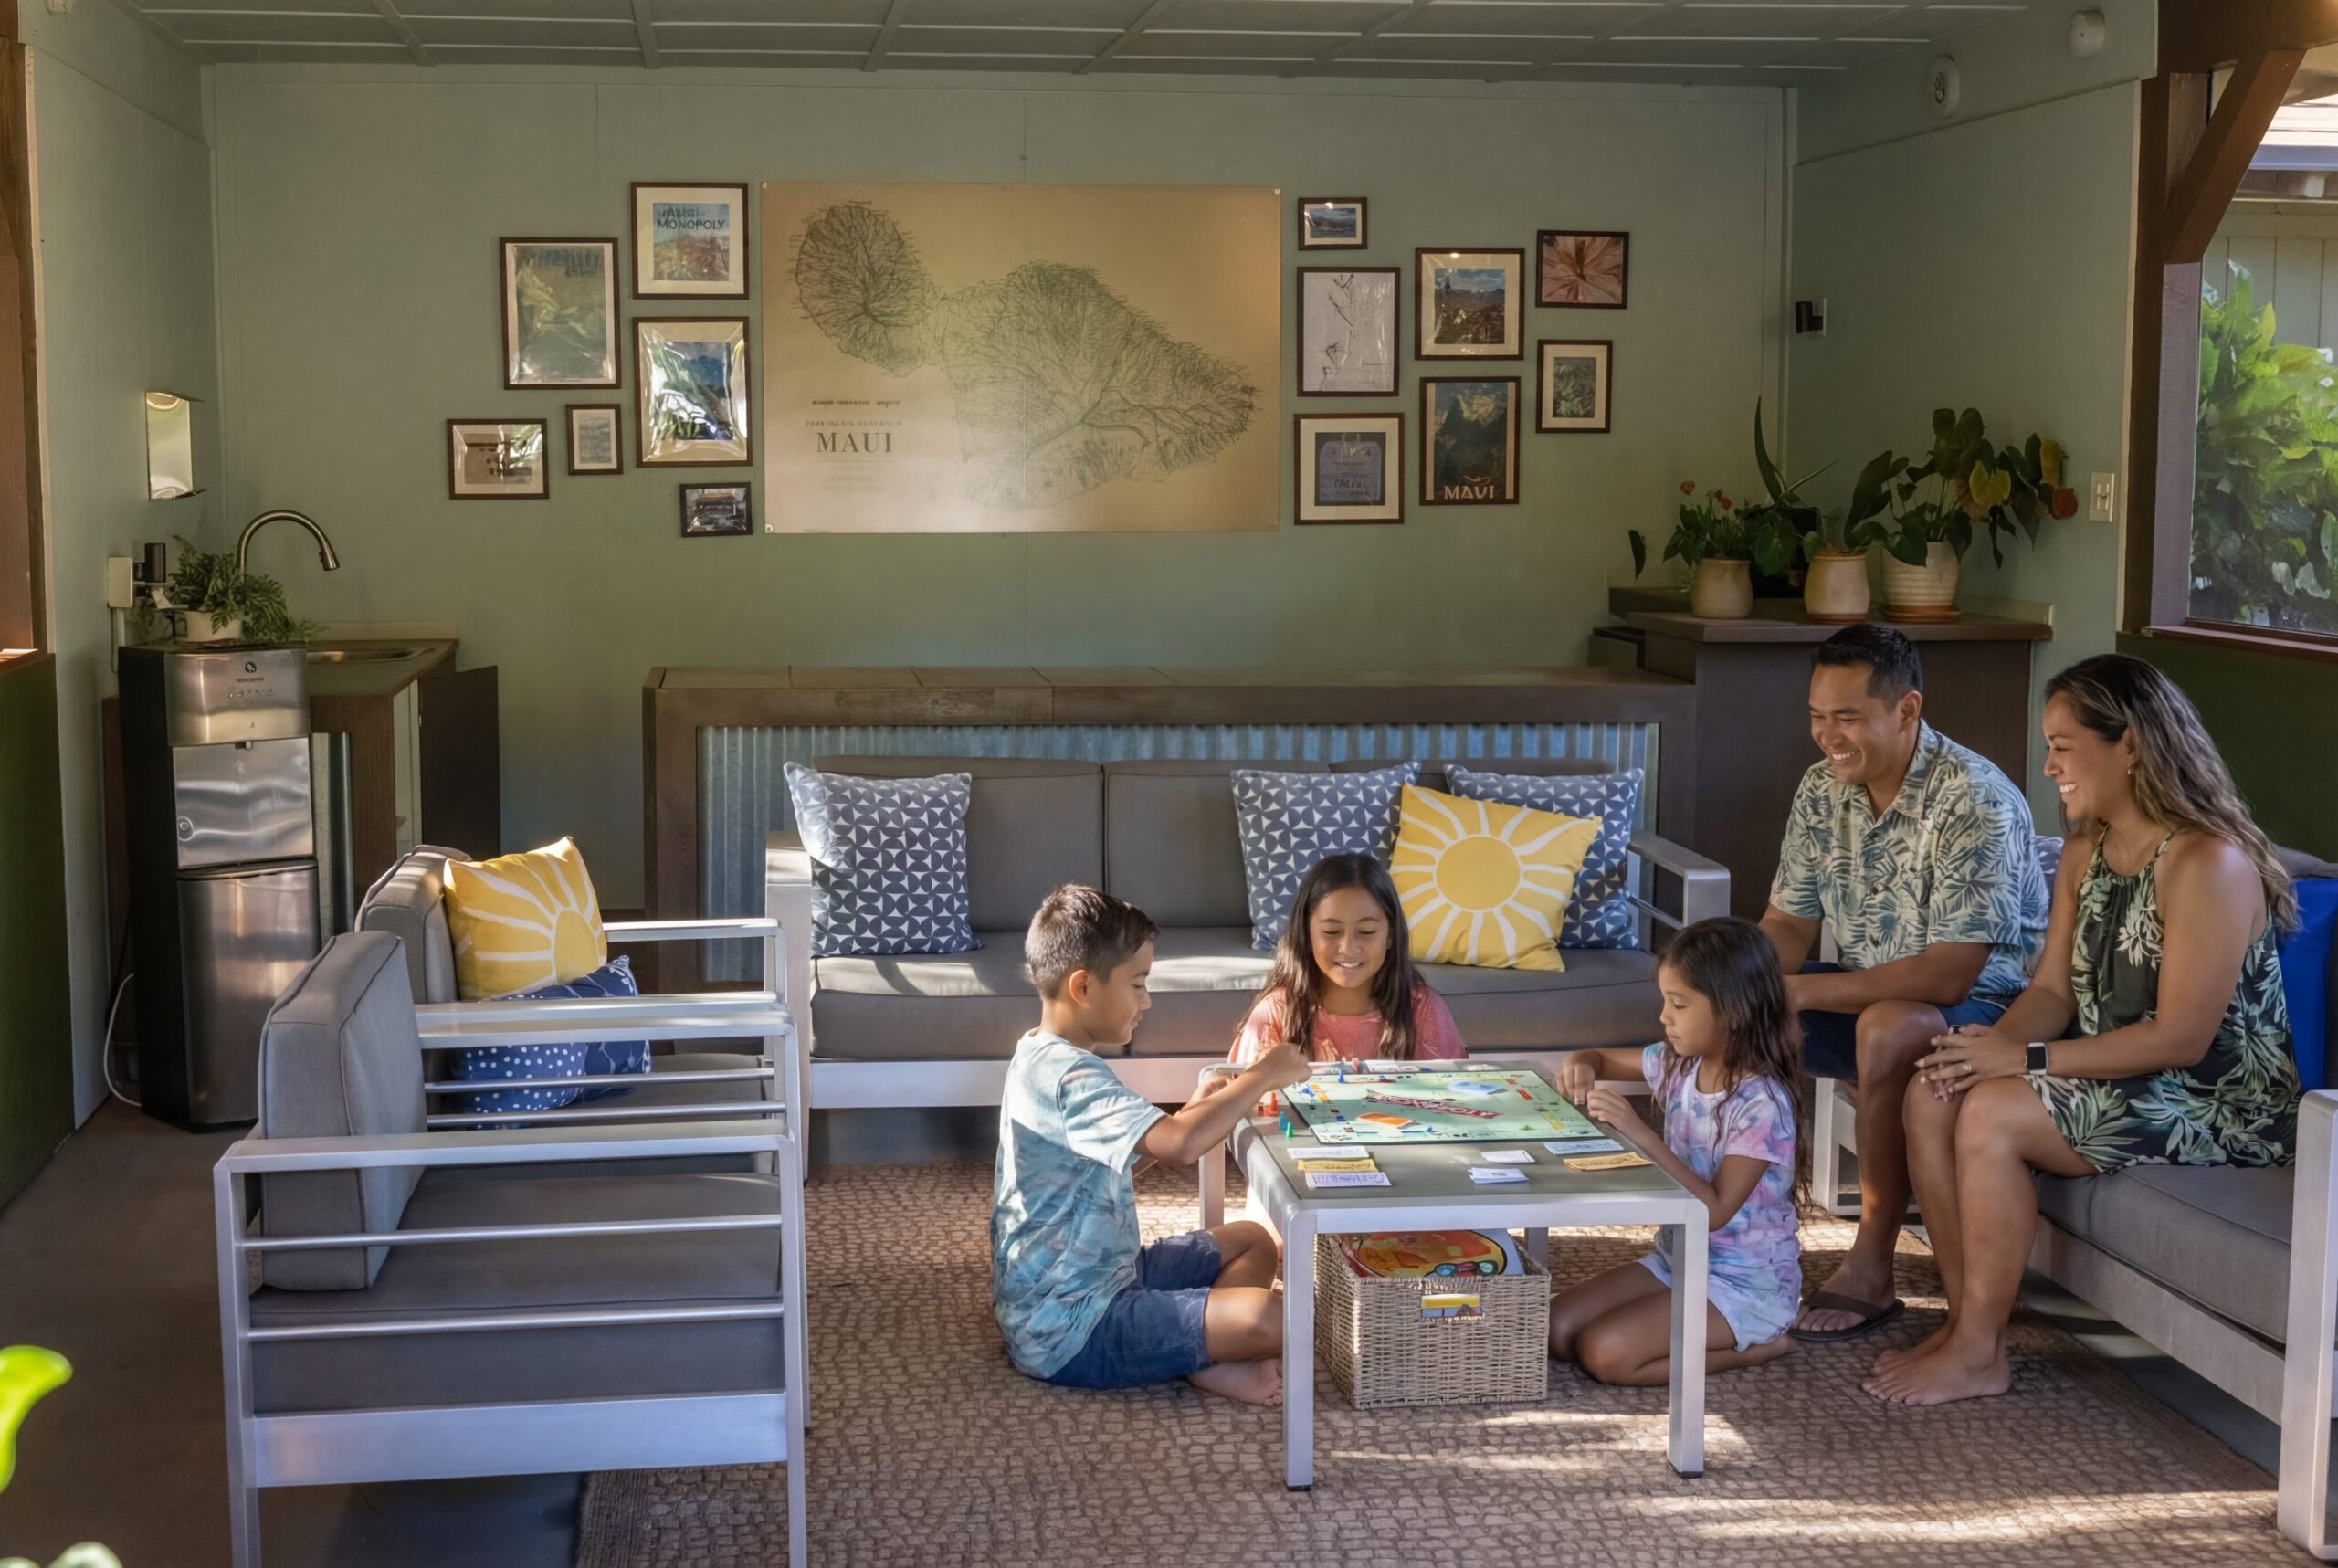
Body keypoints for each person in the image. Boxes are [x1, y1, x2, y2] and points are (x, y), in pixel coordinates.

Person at [1864, 654, 2298, 1405]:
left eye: (2063, 745)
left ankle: (1976, 1350)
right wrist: (1982, 1049)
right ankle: (1973, 1327)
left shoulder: (2207, 862)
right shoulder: (2082, 853)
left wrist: (2023, 1060)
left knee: (1995, 1110)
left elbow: (2181, 1041)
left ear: (2129, 744)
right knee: (1935, 1087)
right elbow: (2053, 991)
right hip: (2114, 1073)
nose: (2048, 763)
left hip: (2213, 1103)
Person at [1761, 625, 2048, 1342]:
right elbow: (1787, 923)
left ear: (1908, 709)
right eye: (1817, 716)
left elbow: (1951, 970)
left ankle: (1872, 1261)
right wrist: (1743, 986)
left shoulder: (1975, 799)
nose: (1828, 736)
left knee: (1885, 1025)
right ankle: (1743, 1238)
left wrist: (1800, 993)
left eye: (1848, 717)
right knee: (1733, 1015)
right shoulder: (1821, 789)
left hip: (1988, 1006)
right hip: (1867, 991)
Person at [992, 884, 1311, 1405]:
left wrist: (1191, 1110)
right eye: (1137, 984)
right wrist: (1261, 1074)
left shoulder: (1039, 1053)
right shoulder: (1070, 1075)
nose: (1147, 1000)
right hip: (1072, 1329)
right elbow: (1182, 1147)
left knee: (1253, 1238)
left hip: (1107, 1272)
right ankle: (1197, 1353)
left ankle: (1191, 1346)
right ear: (1083, 987)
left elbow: (1118, 1159)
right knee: (1284, 1317)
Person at [1550, 917, 1807, 1384]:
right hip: (1675, 1261)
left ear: (1733, 1009)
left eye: (1679, 1004)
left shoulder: (1762, 1105)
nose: (1664, 1018)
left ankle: (1757, 1348)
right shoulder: (1678, 1065)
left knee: (1605, 1354)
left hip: (1745, 1286)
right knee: (1556, 1330)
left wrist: (1639, 1133)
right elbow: (1601, 1057)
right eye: (1666, 1002)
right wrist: (1580, 1062)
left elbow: (1712, 1212)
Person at [1226, 853, 1467, 1069]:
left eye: (1367, 931)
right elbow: (1241, 1108)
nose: (1348, 948)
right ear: (1306, 935)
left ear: (1391, 935)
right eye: (1331, 932)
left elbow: (1458, 1099)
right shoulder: (1274, 1014)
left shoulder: (1424, 1011)